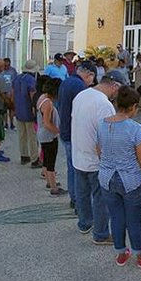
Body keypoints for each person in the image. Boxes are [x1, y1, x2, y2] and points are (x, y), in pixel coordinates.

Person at [97, 86, 141, 268]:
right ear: (133, 106)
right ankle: (139, 255)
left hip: (107, 179)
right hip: (131, 181)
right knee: (133, 219)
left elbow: (99, 152)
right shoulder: (136, 129)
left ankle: (120, 253)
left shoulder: (102, 124)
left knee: (116, 217)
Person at [71, 69, 127, 244]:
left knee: (82, 193)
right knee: (101, 198)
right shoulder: (104, 105)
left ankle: (84, 223)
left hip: (78, 154)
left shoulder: (81, 95)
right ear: (115, 86)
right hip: (95, 160)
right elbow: (107, 136)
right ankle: (101, 234)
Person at [57, 60, 97, 208]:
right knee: (79, 170)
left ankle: (74, 198)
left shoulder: (67, 81)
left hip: (65, 131)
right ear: (89, 74)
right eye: (92, 78)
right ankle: (79, 201)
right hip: (74, 133)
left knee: (71, 167)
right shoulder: (79, 86)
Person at [36, 78, 68, 196]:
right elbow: (47, 122)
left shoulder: (42, 98)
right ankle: (54, 188)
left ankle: (50, 181)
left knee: (47, 159)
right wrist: (58, 131)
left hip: (42, 134)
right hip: (48, 135)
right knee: (51, 161)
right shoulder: (48, 103)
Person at [13, 60, 41, 166]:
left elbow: (12, 94)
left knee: (22, 135)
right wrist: (35, 109)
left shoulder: (17, 78)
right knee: (32, 137)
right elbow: (32, 95)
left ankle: (24, 156)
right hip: (28, 111)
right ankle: (35, 159)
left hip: (19, 110)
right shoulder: (31, 80)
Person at [1, 58, 18, 130]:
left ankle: (12, 124)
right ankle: (5, 124)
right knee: (4, 110)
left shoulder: (13, 71)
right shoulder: (1, 71)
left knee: (12, 109)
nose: (6, 67)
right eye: (5, 65)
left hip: (11, 93)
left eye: (7, 65)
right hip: (3, 93)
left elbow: (15, 82)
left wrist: (13, 92)